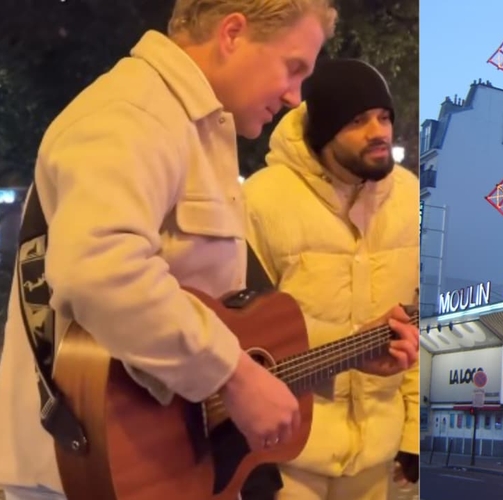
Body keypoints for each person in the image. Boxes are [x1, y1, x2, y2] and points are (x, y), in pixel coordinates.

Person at [0, 2, 414, 500]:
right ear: (233, 34)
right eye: (293, 67)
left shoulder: (190, 128)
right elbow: (99, 271)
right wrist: (234, 376)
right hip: (86, 472)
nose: (292, 96)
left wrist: (346, 354)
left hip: (153, 469)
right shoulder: (134, 112)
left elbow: (216, 322)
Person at [241, 57, 420, 500]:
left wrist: (414, 434)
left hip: (375, 454)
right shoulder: (262, 200)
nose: (378, 132)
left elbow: (418, 323)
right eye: (358, 121)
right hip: (290, 452)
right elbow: (237, 333)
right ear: (323, 132)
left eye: (383, 117)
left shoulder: (410, 197)